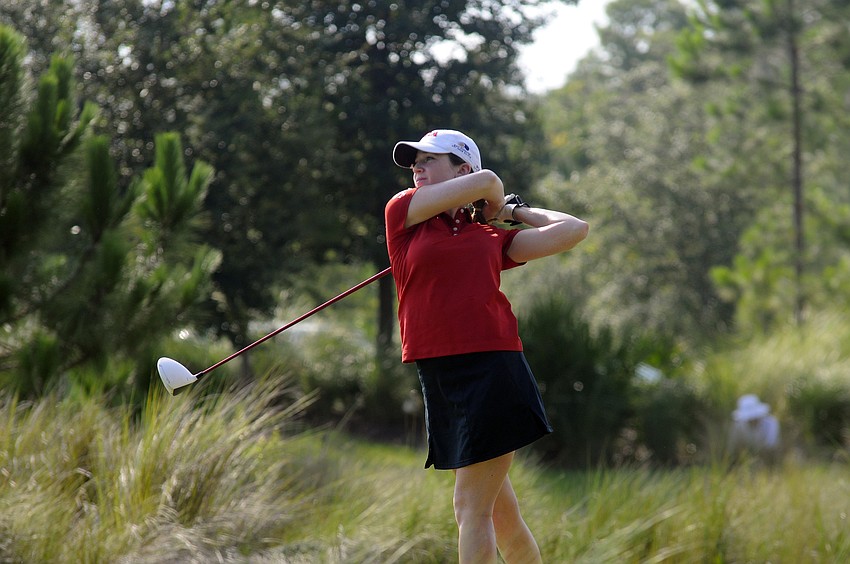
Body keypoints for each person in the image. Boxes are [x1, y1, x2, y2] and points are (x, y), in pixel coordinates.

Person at [384, 129, 589, 563]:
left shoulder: (491, 238)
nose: (417, 167)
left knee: (470, 508)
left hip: (493, 368)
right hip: (439, 375)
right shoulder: (402, 212)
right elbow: (487, 182)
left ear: (462, 169)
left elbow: (573, 229)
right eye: (414, 160)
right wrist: (493, 200)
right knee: (502, 514)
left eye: (429, 159)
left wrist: (514, 211)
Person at [729, 394, 780, 460]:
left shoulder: (771, 424)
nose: (752, 420)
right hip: (747, 459)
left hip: (769, 458)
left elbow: (770, 447)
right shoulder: (738, 426)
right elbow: (733, 447)